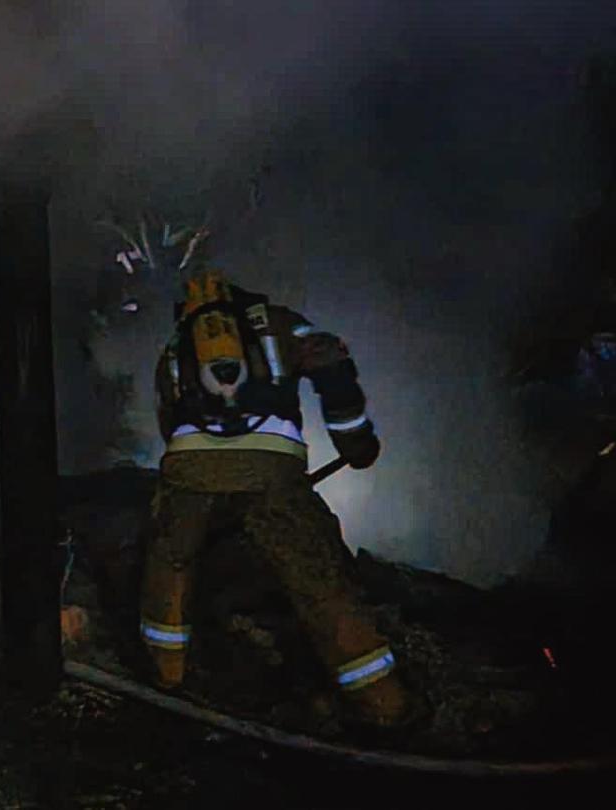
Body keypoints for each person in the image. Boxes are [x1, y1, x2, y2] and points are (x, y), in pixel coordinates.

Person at [133, 224, 415, 731]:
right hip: (273, 468)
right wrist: (355, 442)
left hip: (189, 468)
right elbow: (332, 365)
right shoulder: (280, 325)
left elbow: (167, 422)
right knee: (319, 582)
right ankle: (386, 706)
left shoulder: (175, 348)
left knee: (170, 567)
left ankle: (166, 680)